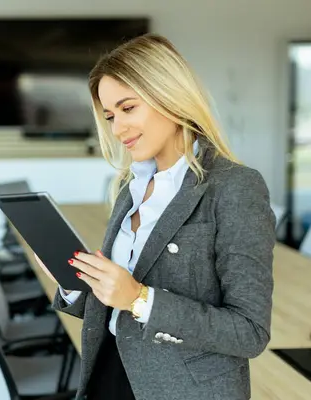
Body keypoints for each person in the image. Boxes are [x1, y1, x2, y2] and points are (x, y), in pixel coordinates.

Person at [34, 33, 275, 400]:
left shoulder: (234, 187)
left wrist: (140, 299)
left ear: (169, 95)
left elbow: (249, 331)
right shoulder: (131, 186)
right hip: (108, 375)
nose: (117, 129)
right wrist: (73, 282)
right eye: (110, 116)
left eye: (128, 108)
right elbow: (114, 309)